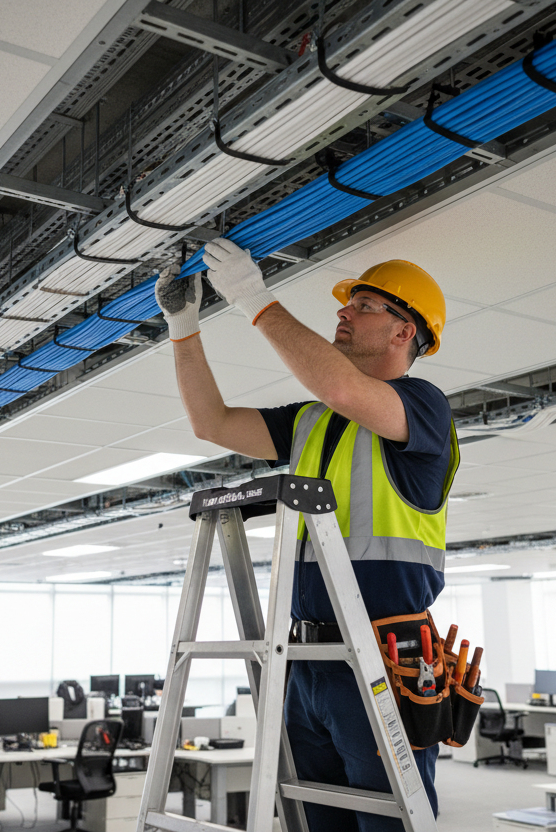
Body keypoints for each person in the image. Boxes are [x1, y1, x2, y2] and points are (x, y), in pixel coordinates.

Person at [155, 239, 459, 831]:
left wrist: (252, 298)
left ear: (405, 333)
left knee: (387, 822)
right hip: (305, 657)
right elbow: (211, 423)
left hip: (382, 657)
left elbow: (344, 389)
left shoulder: (424, 408)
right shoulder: (310, 420)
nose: (343, 312)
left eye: (364, 304)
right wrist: (183, 325)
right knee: (316, 819)